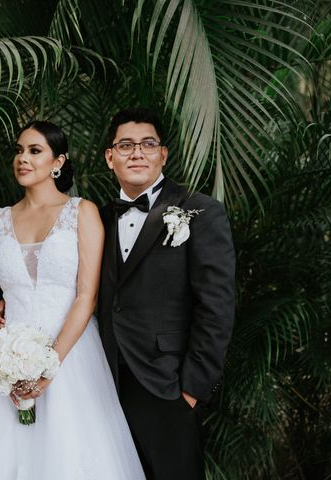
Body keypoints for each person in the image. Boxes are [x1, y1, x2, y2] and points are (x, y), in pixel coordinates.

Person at [0, 121, 145, 479]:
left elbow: (85, 296)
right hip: (6, 360)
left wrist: (49, 366)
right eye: (18, 151)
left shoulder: (83, 213)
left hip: (72, 355)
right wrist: (2, 357)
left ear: (57, 162)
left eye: (34, 151)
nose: (23, 159)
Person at [97, 107, 236, 479]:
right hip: (102, 384)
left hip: (167, 384)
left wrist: (192, 388)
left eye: (148, 144)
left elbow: (216, 306)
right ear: (110, 157)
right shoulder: (96, 219)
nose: (137, 153)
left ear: (164, 154)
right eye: (125, 145)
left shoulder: (200, 210)